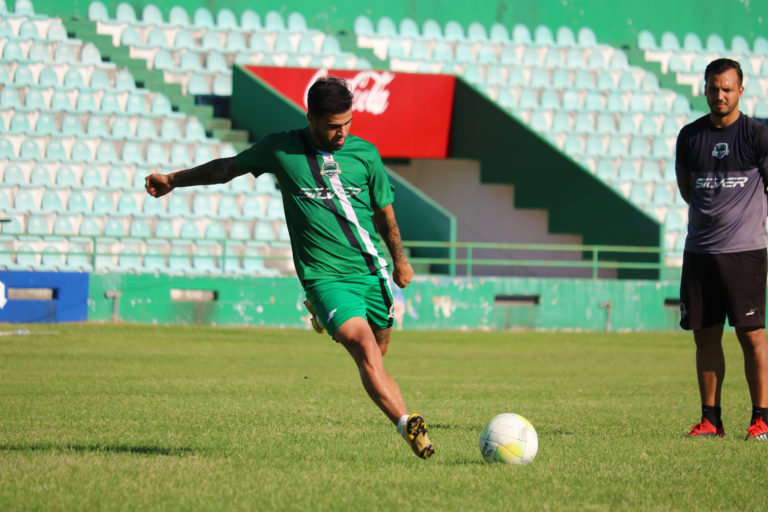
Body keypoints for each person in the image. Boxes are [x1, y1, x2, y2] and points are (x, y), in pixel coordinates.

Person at [145, 76, 434, 458]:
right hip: (324, 277)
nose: (342, 133)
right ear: (311, 117)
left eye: (348, 123)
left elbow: (384, 211)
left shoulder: (366, 154)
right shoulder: (280, 149)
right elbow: (226, 168)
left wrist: (400, 261)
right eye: (333, 126)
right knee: (365, 348)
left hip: (370, 272)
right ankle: (408, 424)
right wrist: (174, 180)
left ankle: (320, 317)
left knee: (379, 350)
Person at [675, 58, 768, 440]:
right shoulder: (690, 136)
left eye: (727, 88)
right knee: (705, 336)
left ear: (741, 90)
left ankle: (762, 417)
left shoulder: (757, 135)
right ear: (704, 89)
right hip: (699, 253)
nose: (720, 95)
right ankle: (711, 420)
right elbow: (686, 188)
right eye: (714, 88)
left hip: (744, 253)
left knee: (752, 336)